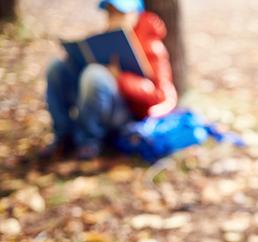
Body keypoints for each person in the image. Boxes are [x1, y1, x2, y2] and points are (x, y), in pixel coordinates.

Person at [41, 0, 177, 160]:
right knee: (56, 67)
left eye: (120, 13)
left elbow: (159, 95)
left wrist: (120, 77)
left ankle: (88, 142)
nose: (114, 18)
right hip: (98, 101)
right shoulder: (104, 39)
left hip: (128, 114)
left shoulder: (152, 46)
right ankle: (63, 136)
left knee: (94, 74)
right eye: (110, 12)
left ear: (135, 13)